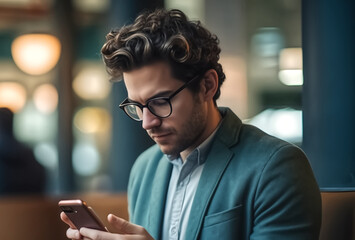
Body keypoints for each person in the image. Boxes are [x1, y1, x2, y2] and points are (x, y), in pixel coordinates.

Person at [60, 8, 321, 240]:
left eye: (160, 101)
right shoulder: (144, 170)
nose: (147, 122)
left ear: (207, 85)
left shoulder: (276, 168)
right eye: (137, 107)